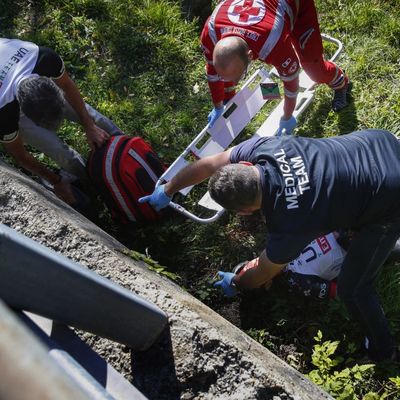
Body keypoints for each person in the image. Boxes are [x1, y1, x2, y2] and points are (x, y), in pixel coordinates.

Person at [140, 129, 400, 362]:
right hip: (378, 142)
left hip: (392, 192)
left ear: (243, 212)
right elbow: (209, 164)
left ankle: (382, 349)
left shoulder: (289, 223)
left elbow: (264, 272)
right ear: (244, 164)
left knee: (353, 288)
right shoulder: (263, 147)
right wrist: (169, 187)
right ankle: (381, 243)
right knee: (349, 227)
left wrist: (237, 281)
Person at [0, 38, 121, 203]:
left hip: (20, 64)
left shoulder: (43, 58)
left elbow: (68, 87)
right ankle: (96, 184)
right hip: (9, 103)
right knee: (59, 151)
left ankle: (125, 147)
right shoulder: (4, 115)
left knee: (92, 117)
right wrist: (55, 181)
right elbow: (20, 155)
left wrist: (89, 125)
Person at [200, 0, 350, 131]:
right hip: (264, 16)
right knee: (226, 74)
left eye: (239, 76)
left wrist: (287, 116)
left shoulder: (273, 44)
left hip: (293, 5)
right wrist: (218, 105)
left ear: (251, 56)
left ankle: (341, 83)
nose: (232, 82)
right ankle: (229, 100)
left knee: (315, 70)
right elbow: (212, 72)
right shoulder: (210, 33)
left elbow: (291, 85)